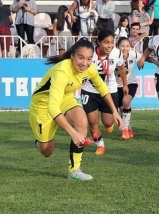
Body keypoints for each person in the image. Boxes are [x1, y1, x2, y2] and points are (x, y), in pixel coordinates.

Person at [29, 39, 122, 180]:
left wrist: (114, 110)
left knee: (81, 120)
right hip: (43, 104)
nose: (85, 63)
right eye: (81, 58)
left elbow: (102, 87)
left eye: (89, 59)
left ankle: (74, 171)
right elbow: (52, 107)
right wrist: (73, 133)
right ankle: (39, 141)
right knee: (47, 151)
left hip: (65, 98)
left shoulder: (89, 69)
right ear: (72, 56)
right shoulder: (62, 71)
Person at [81, 30, 127, 155]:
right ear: (98, 42)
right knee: (92, 122)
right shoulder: (90, 53)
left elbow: (121, 68)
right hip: (89, 90)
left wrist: (125, 84)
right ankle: (100, 145)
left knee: (108, 122)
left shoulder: (117, 52)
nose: (110, 46)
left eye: (112, 42)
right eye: (106, 42)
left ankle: (108, 124)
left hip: (109, 89)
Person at [116, 37, 139, 140]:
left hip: (130, 83)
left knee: (126, 101)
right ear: (118, 47)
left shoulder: (133, 54)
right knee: (122, 108)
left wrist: (142, 60)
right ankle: (128, 127)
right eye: (122, 46)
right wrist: (116, 77)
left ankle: (125, 129)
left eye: (127, 46)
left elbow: (145, 57)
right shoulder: (113, 56)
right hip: (116, 86)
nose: (125, 48)